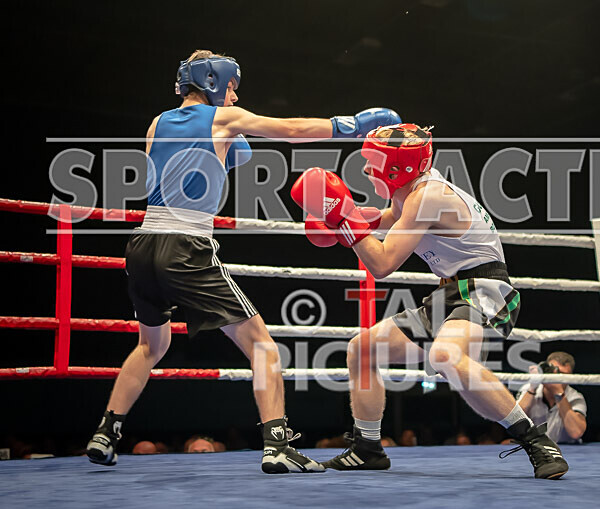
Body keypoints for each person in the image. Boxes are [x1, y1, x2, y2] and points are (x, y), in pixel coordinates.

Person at [85, 49, 401, 473]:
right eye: (232, 87)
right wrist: (352, 125)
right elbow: (290, 129)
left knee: (150, 345)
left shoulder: (156, 124)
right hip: (186, 244)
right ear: (215, 82)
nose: (235, 97)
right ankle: (277, 446)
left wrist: (227, 148)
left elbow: (183, 170)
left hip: (142, 245)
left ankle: (106, 433)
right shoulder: (222, 119)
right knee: (262, 346)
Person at [291, 123, 569, 479]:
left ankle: (536, 440)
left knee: (446, 355)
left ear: (396, 167)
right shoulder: (410, 191)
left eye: (373, 161)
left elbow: (383, 263)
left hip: (483, 287)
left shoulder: (428, 196)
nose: (365, 168)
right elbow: (385, 220)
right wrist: (340, 217)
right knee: (362, 349)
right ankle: (367, 449)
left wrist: (343, 219)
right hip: (449, 292)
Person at [516, 352, 587, 444]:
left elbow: (576, 432)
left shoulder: (575, 397)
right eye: (553, 372)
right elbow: (514, 424)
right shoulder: (528, 390)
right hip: (534, 449)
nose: (556, 378)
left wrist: (559, 394)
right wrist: (532, 388)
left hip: (568, 450)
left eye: (563, 375)